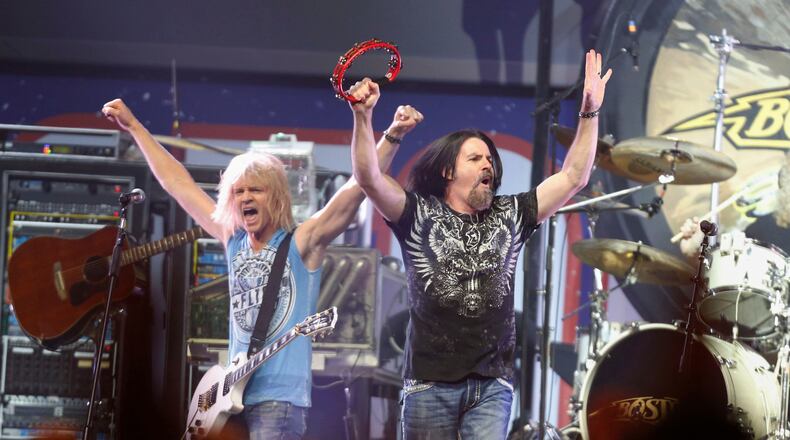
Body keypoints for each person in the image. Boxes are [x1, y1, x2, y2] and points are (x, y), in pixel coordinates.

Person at [102, 98, 423, 439]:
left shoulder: (302, 241)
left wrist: (392, 135)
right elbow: (177, 184)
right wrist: (134, 126)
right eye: (239, 191)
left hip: (280, 401)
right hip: (228, 398)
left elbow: (357, 188)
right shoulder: (233, 239)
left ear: (278, 198)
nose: (245, 198)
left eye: (255, 190)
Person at [346, 49, 612, 439]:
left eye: (490, 158)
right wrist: (363, 115)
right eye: (475, 158)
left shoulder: (512, 213)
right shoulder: (416, 213)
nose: (488, 164)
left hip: (492, 385)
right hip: (428, 383)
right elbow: (368, 176)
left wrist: (588, 111)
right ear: (448, 170)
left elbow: (574, 175)